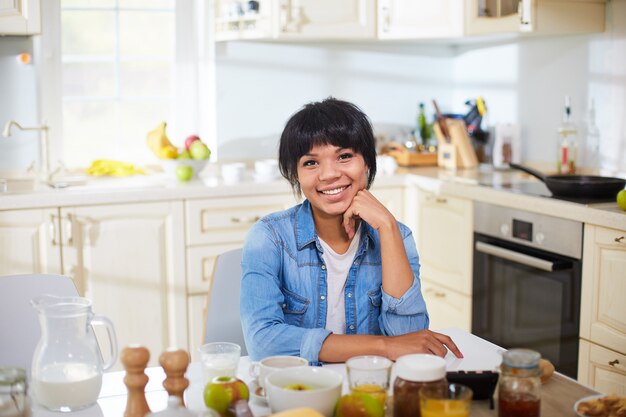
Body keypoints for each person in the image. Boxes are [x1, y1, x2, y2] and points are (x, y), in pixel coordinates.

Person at [240, 97, 461, 364]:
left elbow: (410, 341)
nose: (329, 174)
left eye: (344, 156)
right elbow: (262, 342)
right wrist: (383, 346)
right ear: (295, 174)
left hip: (369, 388)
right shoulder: (269, 237)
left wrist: (388, 228)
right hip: (298, 387)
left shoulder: (398, 236)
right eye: (311, 163)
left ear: (367, 162)